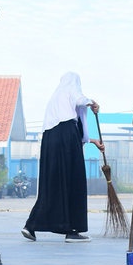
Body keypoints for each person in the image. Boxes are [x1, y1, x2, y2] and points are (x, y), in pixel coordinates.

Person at [22, 72, 102, 243]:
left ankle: (31, 226)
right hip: (67, 137)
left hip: (50, 140)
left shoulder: (55, 98)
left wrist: (92, 141)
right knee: (74, 181)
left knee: (52, 184)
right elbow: (80, 101)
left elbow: (74, 121)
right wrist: (92, 103)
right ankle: (72, 230)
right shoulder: (71, 90)